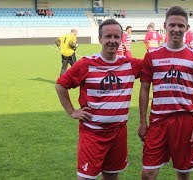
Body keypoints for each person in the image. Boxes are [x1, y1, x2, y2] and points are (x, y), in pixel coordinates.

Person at [55, 19, 142, 180]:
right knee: (85, 178)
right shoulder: (87, 64)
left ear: (121, 39)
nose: (112, 41)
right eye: (108, 36)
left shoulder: (130, 64)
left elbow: (156, 66)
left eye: (116, 37)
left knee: (111, 176)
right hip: (92, 133)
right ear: (100, 38)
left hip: (118, 133)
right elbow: (60, 85)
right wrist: (72, 111)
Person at [138, 6, 193, 180]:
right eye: (172, 25)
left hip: (185, 121)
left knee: (183, 174)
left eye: (180, 25)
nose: (176, 29)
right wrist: (142, 121)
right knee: (148, 173)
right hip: (158, 120)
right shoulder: (152, 56)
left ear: (187, 28)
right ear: (165, 26)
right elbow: (144, 89)